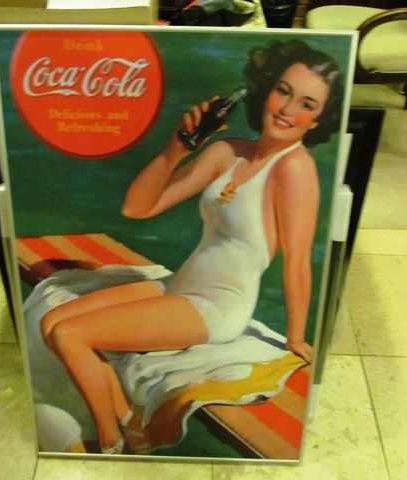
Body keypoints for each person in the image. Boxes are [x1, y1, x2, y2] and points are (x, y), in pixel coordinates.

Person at [39, 38, 344, 454]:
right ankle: (130, 423)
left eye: (306, 104)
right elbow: (138, 207)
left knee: (71, 334)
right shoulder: (227, 151)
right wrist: (177, 148)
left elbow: (297, 262)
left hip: (217, 306)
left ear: (318, 120)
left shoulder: (294, 167)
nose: (288, 110)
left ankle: (112, 445)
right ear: (267, 89)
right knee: (52, 323)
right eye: (284, 92)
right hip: (178, 286)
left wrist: (295, 339)